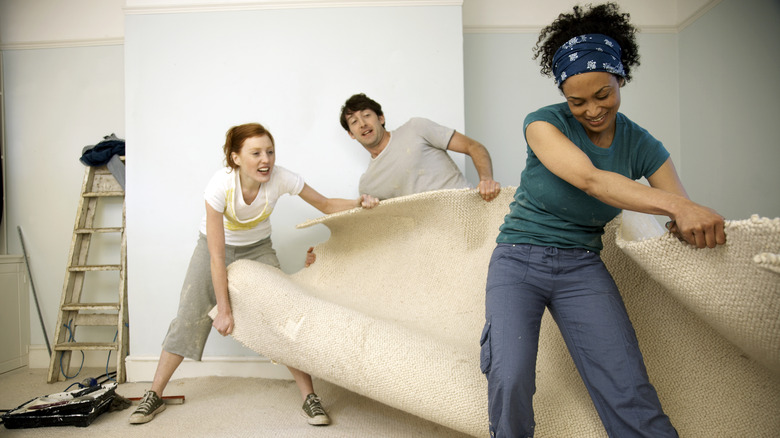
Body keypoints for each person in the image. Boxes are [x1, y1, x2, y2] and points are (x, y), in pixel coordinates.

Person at [480, 3, 726, 437]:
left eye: (603, 95)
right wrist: (675, 207)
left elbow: (680, 208)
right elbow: (592, 180)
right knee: (511, 375)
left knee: (626, 384)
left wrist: (687, 220)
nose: (592, 110)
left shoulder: (642, 143)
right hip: (517, 261)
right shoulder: (542, 124)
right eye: (577, 101)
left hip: (581, 267)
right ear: (563, 96)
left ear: (621, 79)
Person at [129, 123, 379, 426]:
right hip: (213, 250)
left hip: (258, 248)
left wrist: (359, 202)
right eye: (256, 153)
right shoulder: (219, 186)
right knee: (188, 316)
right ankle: (154, 394)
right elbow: (217, 255)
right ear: (236, 158)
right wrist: (223, 309)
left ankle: (309, 398)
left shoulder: (281, 178)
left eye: (270, 152)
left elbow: (325, 204)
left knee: (283, 314)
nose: (266, 160)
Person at [339, 93, 501, 202]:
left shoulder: (416, 128)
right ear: (351, 134)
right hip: (430, 243)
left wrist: (486, 180)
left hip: (466, 210)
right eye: (354, 122)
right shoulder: (368, 185)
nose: (362, 124)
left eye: (366, 115)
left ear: (381, 118)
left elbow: (474, 147)